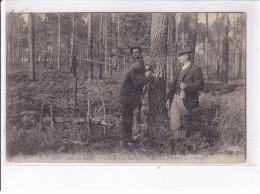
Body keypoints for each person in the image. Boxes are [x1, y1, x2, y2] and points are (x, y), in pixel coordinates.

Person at [166, 47, 205, 140]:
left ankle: (191, 145)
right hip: (175, 99)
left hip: (187, 100)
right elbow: (173, 84)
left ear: (187, 56)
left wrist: (187, 86)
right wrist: (168, 98)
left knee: (188, 125)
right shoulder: (179, 68)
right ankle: (178, 144)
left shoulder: (195, 69)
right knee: (174, 125)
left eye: (180, 56)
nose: (178, 58)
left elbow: (201, 85)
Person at [119, 47, 151, 148]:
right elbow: (137, 83)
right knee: (127, 118)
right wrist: (147, 77)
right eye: (133, 53)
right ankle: (126, 140)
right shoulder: (136, 66)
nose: (135, 54)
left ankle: (129, 138)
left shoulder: (140, 65)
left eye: (137, 52)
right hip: (127, 96)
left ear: (140, 53)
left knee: (132, 116)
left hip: (132, 96)